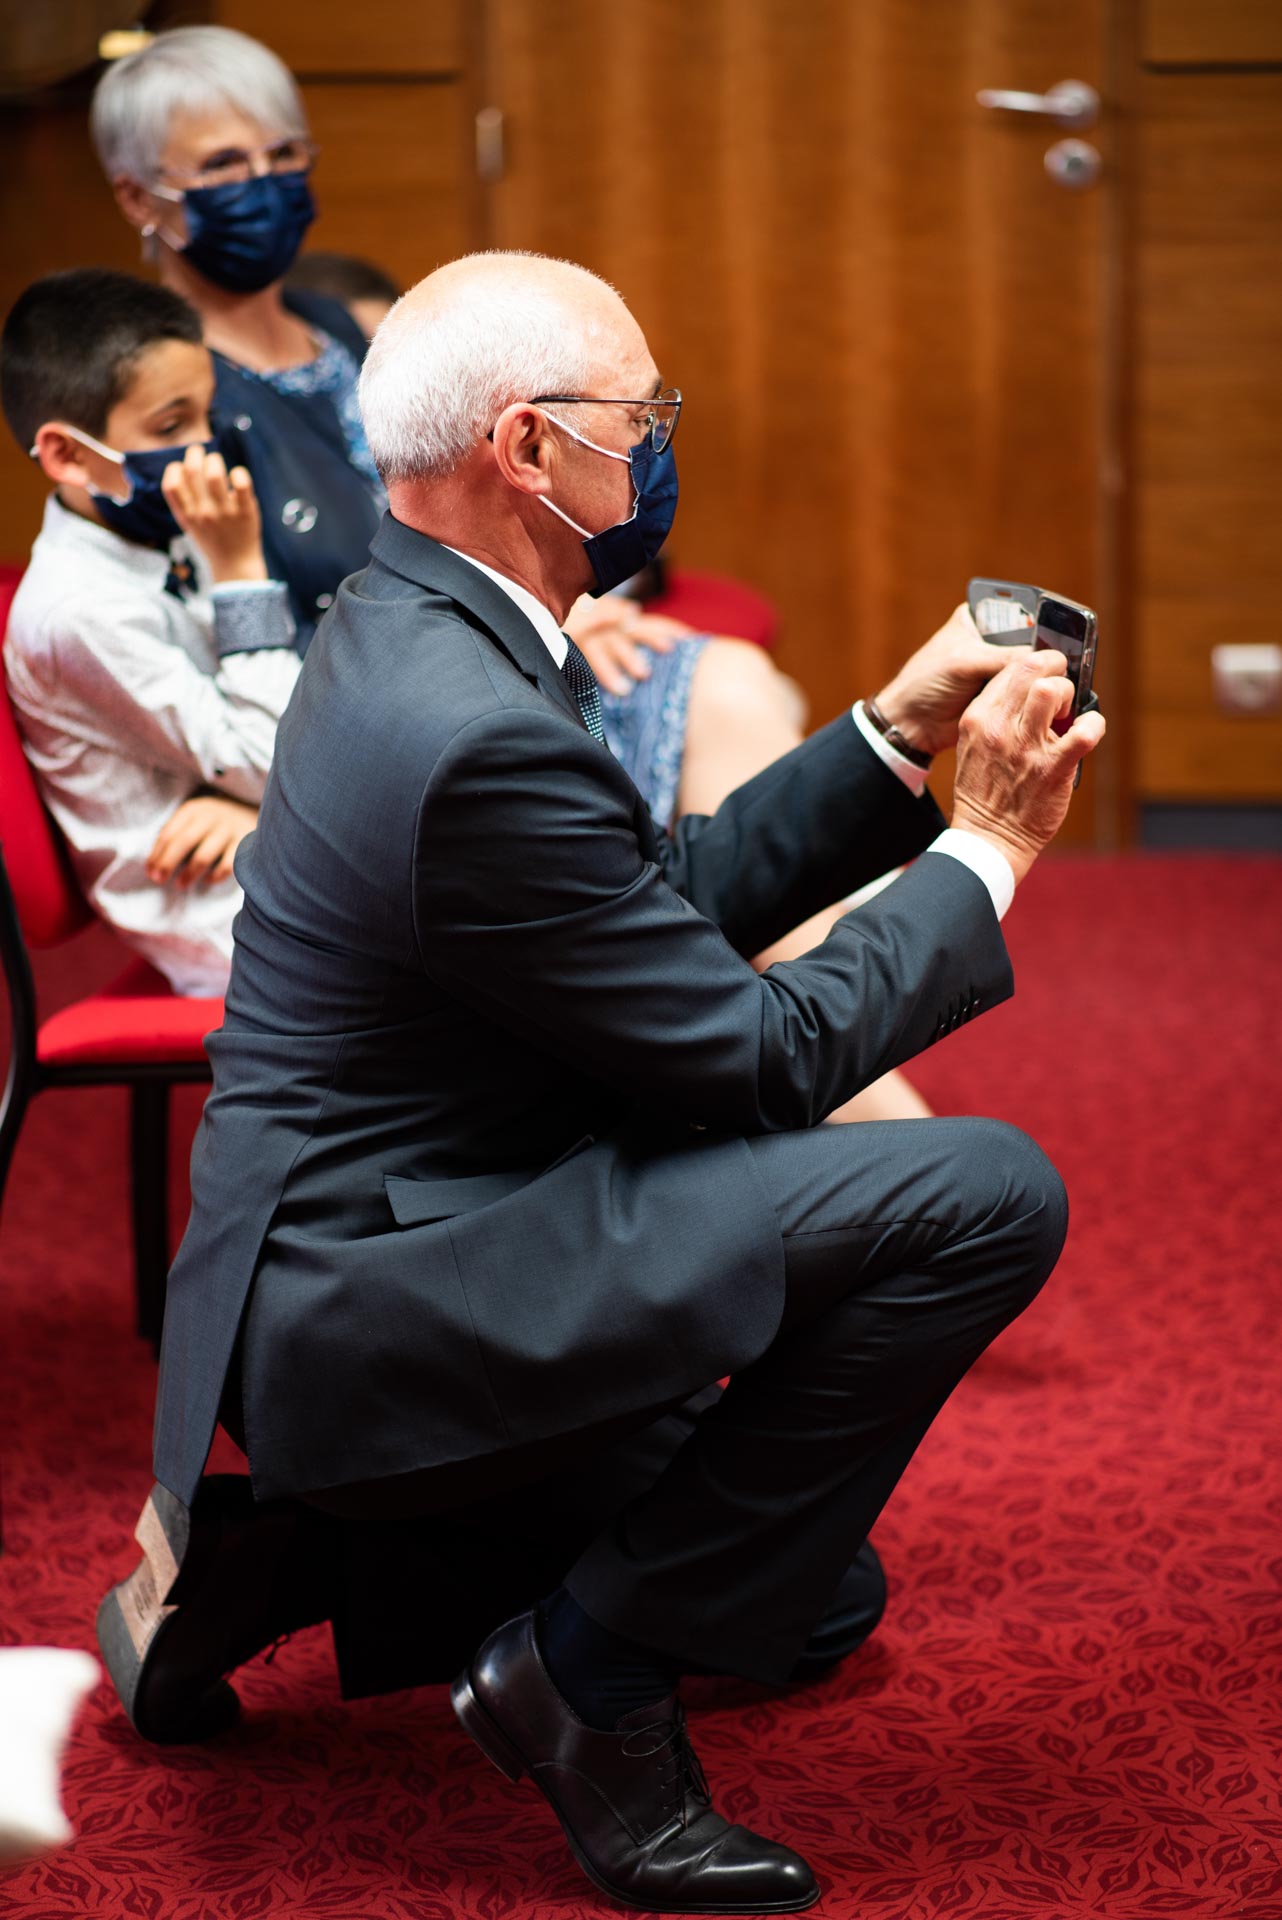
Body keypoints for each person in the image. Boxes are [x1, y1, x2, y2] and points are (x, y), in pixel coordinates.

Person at [94, 250, 1103, 1913]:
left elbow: (637, 901)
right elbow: (757, 1060)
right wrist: (985, 843)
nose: (658, 443)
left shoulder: (407, 606)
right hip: (379, 1293)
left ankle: (306, 1553)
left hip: (370, 1233)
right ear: (528, 447)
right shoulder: (465, 710)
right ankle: (584, 1686)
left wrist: (886, 734)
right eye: (642, 415)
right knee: (983, 1192)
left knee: (811, 1603)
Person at [1, 269, 300, 996]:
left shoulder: (164, 529)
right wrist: (239, 573)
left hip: (272, 843)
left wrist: (248, 801)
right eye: (170, 428)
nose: (203, 450)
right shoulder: (76, 611)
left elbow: (282, 742)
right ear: (68, 455)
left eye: (206, 414)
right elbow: (274, 760)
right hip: (229, 918)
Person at [92, 26, 383, 651]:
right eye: (222, 164)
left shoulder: (343, 326)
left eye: (282, 155)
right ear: (139, 198)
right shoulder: (164, 401)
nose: (263, 182)